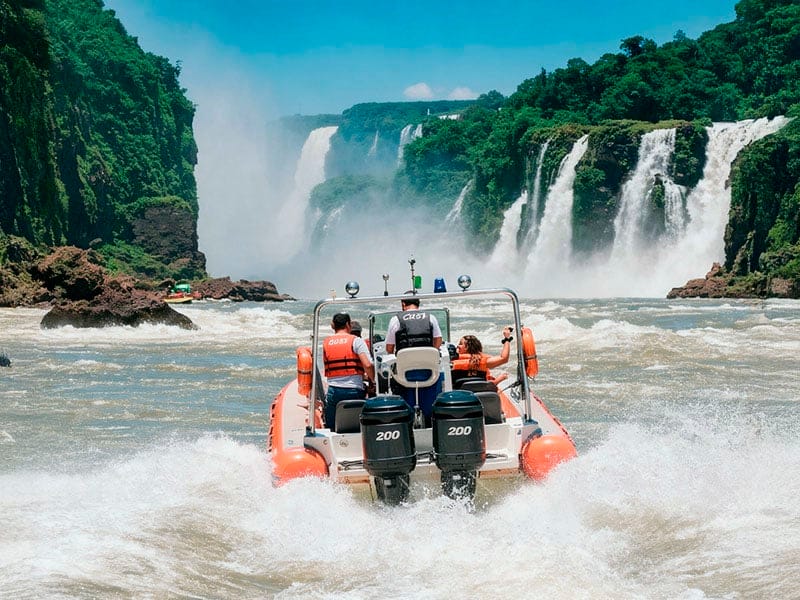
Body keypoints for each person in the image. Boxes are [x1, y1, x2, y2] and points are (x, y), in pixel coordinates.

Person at [322, 313, 375, 428]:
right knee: (357, 425)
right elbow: (368, 365)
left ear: (333, 326)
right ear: (348, 324)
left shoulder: (326, 343)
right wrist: (373, 380)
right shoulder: (356, 341)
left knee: (332, 426)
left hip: (333, 391)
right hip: (353, 390)